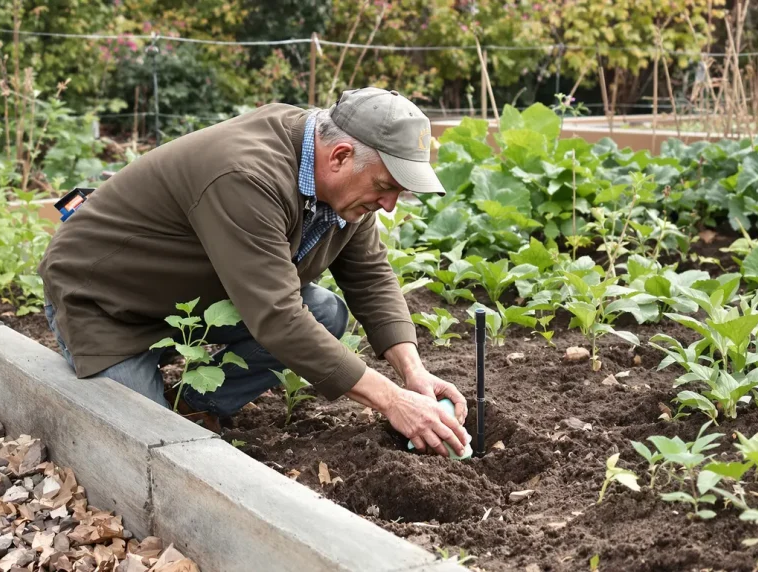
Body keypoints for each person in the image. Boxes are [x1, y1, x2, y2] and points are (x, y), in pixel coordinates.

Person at [38, 87, 469, 458]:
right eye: (385, 187)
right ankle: (143, 378)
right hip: (105, 302)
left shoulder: (342, 181)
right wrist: (392, 402)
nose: (390, 204)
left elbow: (370, 275)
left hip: (188, 298)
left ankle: (192, 402)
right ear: (340, 155)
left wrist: (413, 375)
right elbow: (277, 316)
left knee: (324, 312)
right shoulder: (246, 173)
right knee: (150, 446)